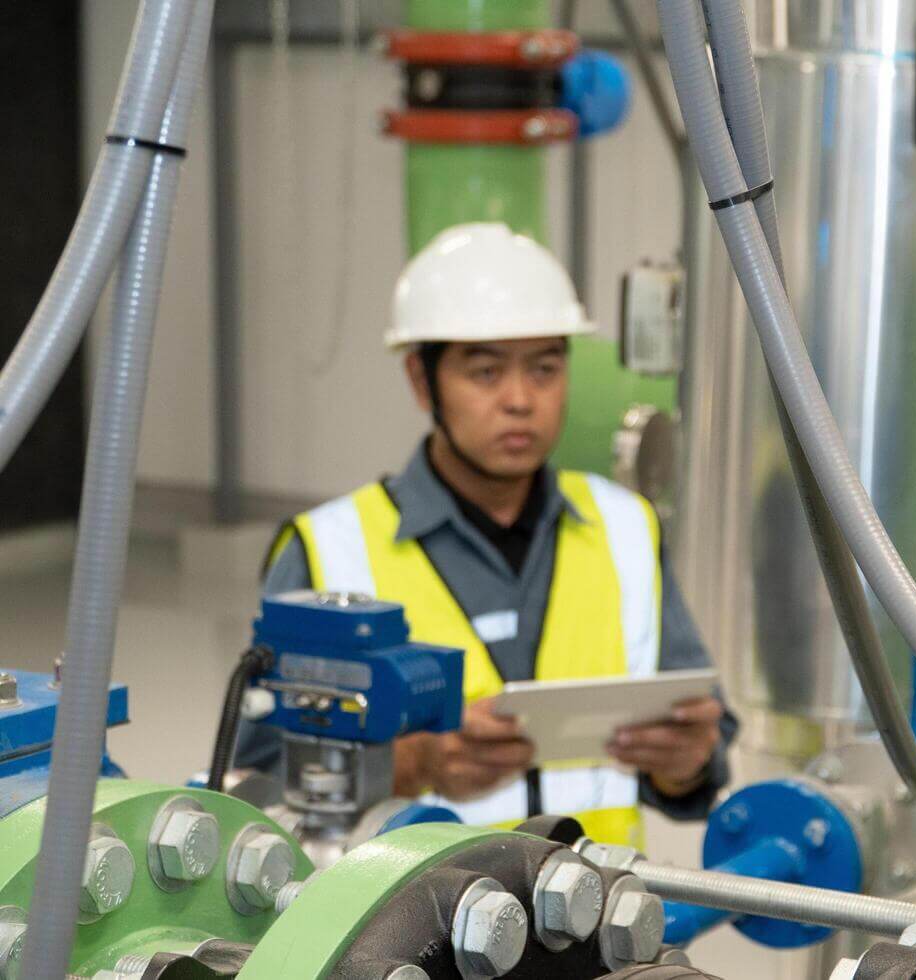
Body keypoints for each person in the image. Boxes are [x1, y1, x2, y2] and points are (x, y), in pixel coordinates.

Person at [252, 222, 735, 846]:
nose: (520, 400)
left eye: (545, 368)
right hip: (415, 908)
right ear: (422, 380)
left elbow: (704, 742)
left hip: (599, 899)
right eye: (485, 372)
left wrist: (685, 763)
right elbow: (254, 782)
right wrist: (411, 766)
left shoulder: (625, 526)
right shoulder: (328, 549)